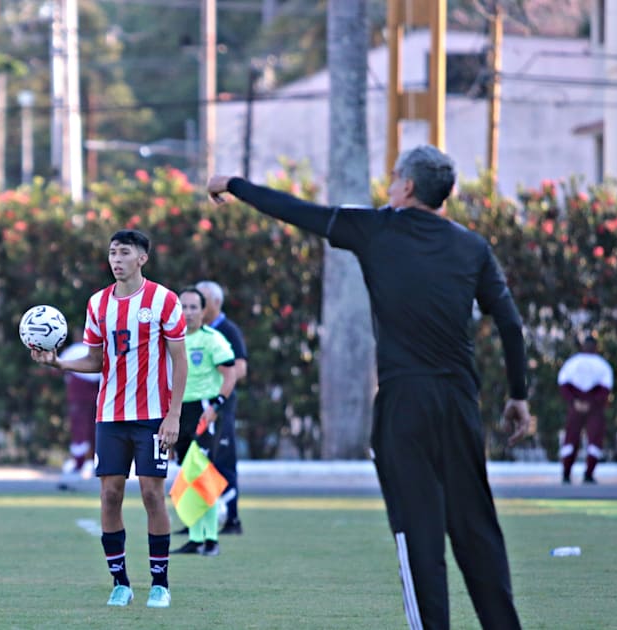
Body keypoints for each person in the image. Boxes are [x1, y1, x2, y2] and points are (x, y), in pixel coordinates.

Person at [206, 144, 531, 630]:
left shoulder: (376, 228)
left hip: (405, 404)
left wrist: (233, 185)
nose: (390, 181)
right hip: (461, 401)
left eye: (395, 175)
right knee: (476, 527)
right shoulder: (472, 246)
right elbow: (509, 323)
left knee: (418, 534)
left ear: (407, 187)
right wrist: (519, 395)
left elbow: (297, 211)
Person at [31, 229, 187, 609]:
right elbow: (96, 360)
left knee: (153, 494)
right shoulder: (98, 304)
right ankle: (120, 583)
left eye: (124, 253)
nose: (116, 259)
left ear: (142, 258)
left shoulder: (163, 300)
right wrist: (60, 364)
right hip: (110, 416)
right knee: (109, 495)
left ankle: (160, 584)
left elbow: (179, 360)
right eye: (112, 253)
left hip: (152, 416)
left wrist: (173, 415)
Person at [170, 287, 237, 557]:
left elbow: (230, 374)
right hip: (179, 411)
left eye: (193, 307)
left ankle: (210, 540)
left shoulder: (213, 339)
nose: (187, 313)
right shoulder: (172, 340)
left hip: (204, 411)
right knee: (188, 475)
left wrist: (216, 405)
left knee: (201, 473)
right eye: (182, 307)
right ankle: (197, 538)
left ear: (203, 310)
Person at [194, 280, 248, 534]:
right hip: (196, 403)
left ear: (216, 303)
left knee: (223, 458)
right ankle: (199, 521)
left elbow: (240, 368)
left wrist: (216, 376)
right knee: (197, 460)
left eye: (201, 301)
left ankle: (232, 519)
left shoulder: (228, 330)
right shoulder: (195, 332)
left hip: (220, 403)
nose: (196, 308)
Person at [557, 335, 612, 484]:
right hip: (587, 407)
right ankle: (568, 472)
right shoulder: (596, 364)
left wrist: (577, 401)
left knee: (591, 439)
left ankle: (586, 473)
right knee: (572, 439)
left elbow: (563, 383)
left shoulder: (575, 363)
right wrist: (582, 402)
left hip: (586, 407)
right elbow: (605, 388)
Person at [59, 327, 101, 478]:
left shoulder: (74, 351)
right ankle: (88, 462)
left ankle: (81, 462)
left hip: (81, 398)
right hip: (93, 398)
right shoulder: (92, 351)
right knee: (91, 429)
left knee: (82, 430)